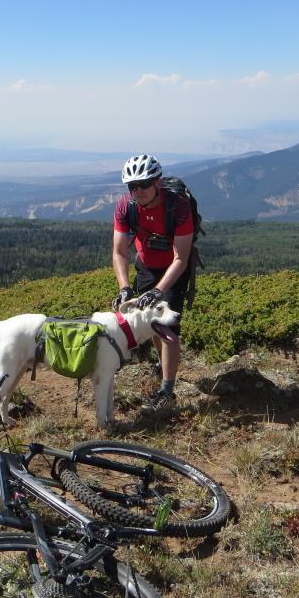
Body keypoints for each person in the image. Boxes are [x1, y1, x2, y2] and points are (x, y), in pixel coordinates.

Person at [111, 153, 194, 409]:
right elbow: (119, 252)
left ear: (157, 182)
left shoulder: (178, 206)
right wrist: (125, 287)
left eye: (144, 184)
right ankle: (162, 363)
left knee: (169, 328)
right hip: (146, 266)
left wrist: (160, 290)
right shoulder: (126, 207)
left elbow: (181, 257)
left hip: (174, 270)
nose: (139, 191)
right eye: (133, 186)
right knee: (153, 321)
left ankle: (167, 391)